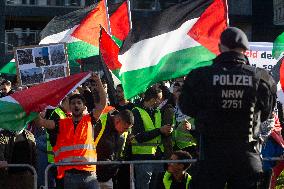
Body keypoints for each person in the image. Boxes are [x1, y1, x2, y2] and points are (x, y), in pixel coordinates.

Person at [178, 27, 277, 189]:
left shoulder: (200, 76)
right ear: (246, 50)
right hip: (247, 155)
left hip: (211, 155)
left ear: (219, 47)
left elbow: (187, 107)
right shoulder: (262, 77)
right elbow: (266, 113)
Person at [35, 72, 106, 189]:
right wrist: (34, 106)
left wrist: (98, 81)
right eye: (73, 103)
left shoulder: (89, 120)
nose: (76, 105)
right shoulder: (61, 123)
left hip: (90, 174)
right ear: (70, 106)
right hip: (70, 176)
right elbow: (41, 122)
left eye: (79, 103)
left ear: (84, 106)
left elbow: (102, 104)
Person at [131, 86, 173, 189]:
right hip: (143, 157)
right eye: (160, 98)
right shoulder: (136, 112)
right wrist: (160, 130)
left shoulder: (157, 112)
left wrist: (166, 131)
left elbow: (158, 132)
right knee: (143, 186)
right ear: (153, 99)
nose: (161, 101)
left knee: (157, 185)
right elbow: (139, 137)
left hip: (157, 155)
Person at [96, 109, 134, 189]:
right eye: (125, 128)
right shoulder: (100, 122)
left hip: (109, 176)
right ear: (117, 121)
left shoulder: (124, 129)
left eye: (128, 129)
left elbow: (120, 152)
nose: (126, 131)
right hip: (93, 175)